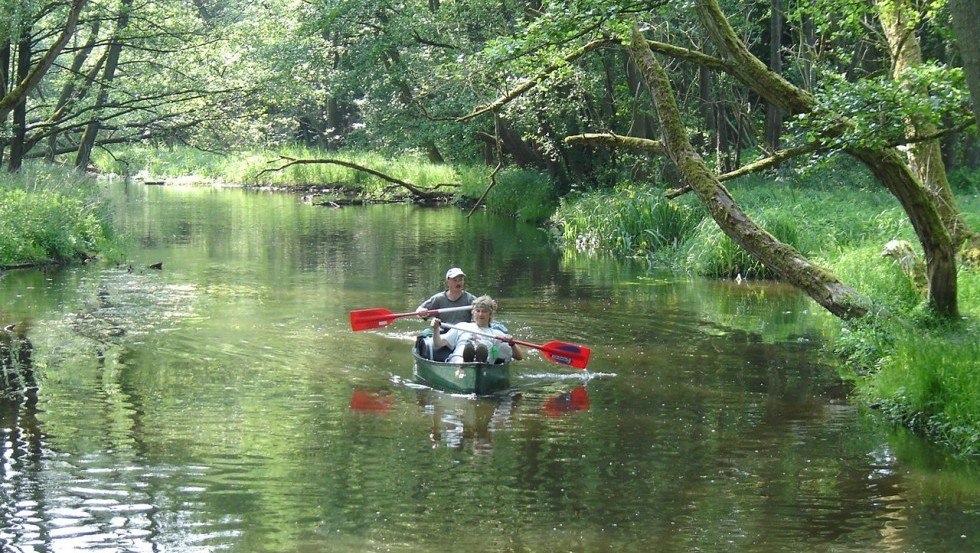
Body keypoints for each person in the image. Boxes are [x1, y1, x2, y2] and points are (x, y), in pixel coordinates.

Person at [430, 295, 523, 364]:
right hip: (458, 363)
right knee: (467, 351)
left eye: (484, 311)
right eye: (478, 311)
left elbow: (519, 357)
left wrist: (512, 343)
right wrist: (436, 329)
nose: (480, 314)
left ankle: (479, 361)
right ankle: (468, 361)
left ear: (490, 314)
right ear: (473, 313)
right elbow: (438, 344)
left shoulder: (497, 334)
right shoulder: (461, 326)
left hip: (484, 367)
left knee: (484, 348)